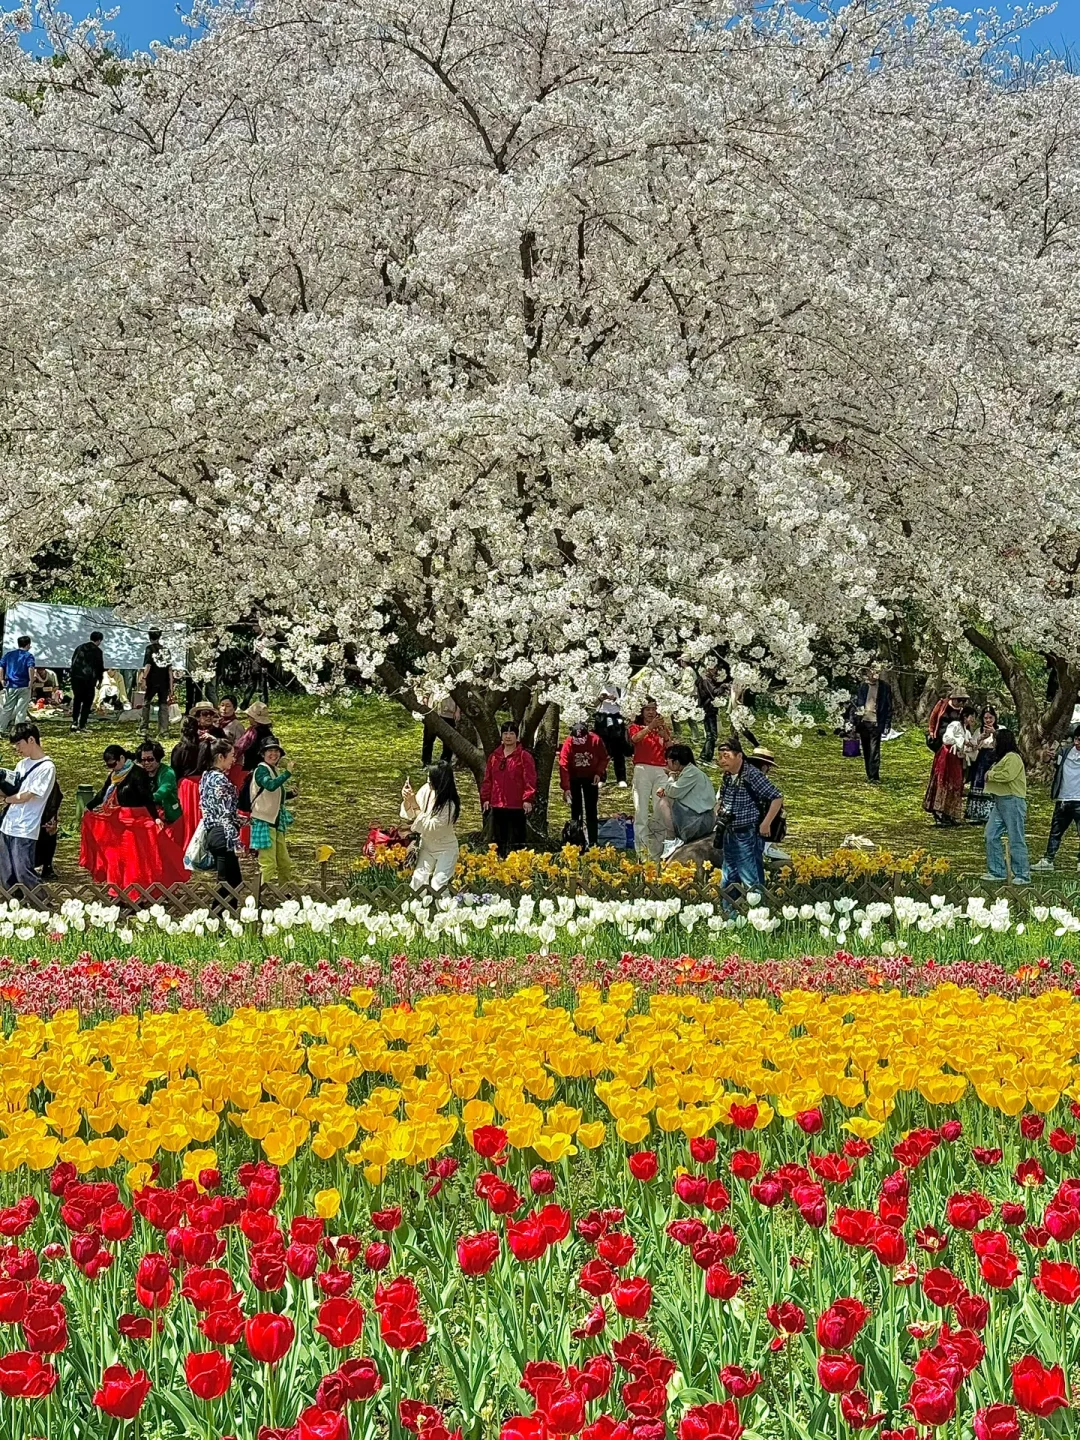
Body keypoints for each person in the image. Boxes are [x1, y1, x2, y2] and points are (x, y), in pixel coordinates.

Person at [715, 736, 783, 889]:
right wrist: (718, 809)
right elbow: (722, 798)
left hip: (747, 831)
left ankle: (757, 903)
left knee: (750, 876)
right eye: (720, 757)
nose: (722, 760)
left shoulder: (752, 774)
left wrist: (766, 823)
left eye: (726, 756)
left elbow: (777, 797)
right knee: (729, 876)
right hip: (728, 829)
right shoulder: (727, 775)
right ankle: (729, 904)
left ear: (739, 756)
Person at [0, 724, 56, 898]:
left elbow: (26, 796)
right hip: (7, 824)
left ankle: (43, 904)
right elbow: (13, 789)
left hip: (25, 827)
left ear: (31, 740)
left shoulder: (47, 767)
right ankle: (15, 905)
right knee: (6, 873)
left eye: (19, 744)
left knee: (23, 871)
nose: (17, 749)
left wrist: (6, 800)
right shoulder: (21, 764)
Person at [401, 761, 461, 893]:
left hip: (445, 848)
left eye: (431, 780)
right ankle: (416, 906)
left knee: (438, 884)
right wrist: (407, 799)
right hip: (426, 845)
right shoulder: (427, 790)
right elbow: (411, 815)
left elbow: (431, 828)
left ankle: (446, 906)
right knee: (418, 881)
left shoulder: (450, 805)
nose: (428, 782)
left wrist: (414, 804)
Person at [480, 721, 537, 858]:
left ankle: (518, 864)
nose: (508, 736)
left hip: (517, 804)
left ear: (517, 737)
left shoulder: (524, 756)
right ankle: (499, 862)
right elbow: (488, 779)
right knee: (498, 838)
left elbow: (530, 779)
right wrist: (486, 798)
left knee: (517, 838)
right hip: (497, 804)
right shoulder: (494, 756)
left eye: (511, 733)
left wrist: (528, 799)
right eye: (505, 733)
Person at [980, 728, 1030, 885]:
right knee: (990, 834)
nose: (994, 743)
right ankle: (997, 871)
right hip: (1000, 801)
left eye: (996, 740)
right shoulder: (1002, 758)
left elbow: (1007, 776)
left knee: (1016, 837)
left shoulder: (1013, 757)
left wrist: (991, 775)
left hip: (1012, 801)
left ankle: (1022, 874)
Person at [200, 739, 243, 910]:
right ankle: (218, 918)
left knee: (230, 882)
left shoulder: (206, 776)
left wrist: (241, 820)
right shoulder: (220, 780)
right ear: (220, 757)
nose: (234, 760)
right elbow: (224, 815)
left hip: (213, 833)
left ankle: (223, 918)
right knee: (229, 883)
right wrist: (236, 842)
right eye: (232, 755)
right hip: (223, 836)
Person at [628, 699, 673, 859]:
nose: (651, 712)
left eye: (653, 709)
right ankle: (641, 852)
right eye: (647, 709)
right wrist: (649, 728)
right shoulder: (636, 726)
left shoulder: (662, 727)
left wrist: (665, 737)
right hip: (642, 769)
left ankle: (656, 852)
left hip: (661, 769)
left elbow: (671, 749)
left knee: (659, 811)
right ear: (642, 712)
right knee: (641, 810)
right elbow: (635, 739)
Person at [249, 736, 294, 887]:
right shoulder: (261, 770)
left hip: (276, 821)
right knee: (268, 864)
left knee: (284, 862)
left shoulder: (274, 770)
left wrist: (290, 794)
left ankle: (285, 893)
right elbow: (270, 785)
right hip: (263, 821)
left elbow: (274, 795)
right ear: (263, 753)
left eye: (276, 751)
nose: (273, 754)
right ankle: (258, 895)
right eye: (270, 751)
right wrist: (287, 773)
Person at [655, 744, 717, 852]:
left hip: (698, 821)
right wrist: (666, 789)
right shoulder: (690, 772)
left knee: (664, 802)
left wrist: (671, 776)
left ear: (676, 762)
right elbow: (675, 791)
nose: (666, 763)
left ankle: (671, 840)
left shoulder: (692, 773)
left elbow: (673, 791)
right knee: (666, 800)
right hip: (697, 817)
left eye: (667, 760)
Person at [923, 695, 973, 825]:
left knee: (955, 782)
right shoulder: (952, 720)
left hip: (956, 756)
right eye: (959, 700)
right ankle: (938, 811)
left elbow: (969, 743)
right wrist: (933, 733)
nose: (961, 703)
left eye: (963, 701)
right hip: (946, 753)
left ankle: (949, 812)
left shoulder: (965, 729)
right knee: (943, 780)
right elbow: (946, 736)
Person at [1035, 725, 1080, 871]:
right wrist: (1046, 755)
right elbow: (1048, 759)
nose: (1077, 743)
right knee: (1055, 831)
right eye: (1076, 739)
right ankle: (1048, 860)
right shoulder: (1065, 751)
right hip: (1063, 799)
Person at [558, 722, 609, 847]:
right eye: (577, 739)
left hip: (591, 776)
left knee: (591, 808)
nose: (579, 742)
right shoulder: (568, 743)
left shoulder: (595, 740)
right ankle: (576, 840)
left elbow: (604, 758)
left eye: (582, 739)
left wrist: (598, 773)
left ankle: (593, 841)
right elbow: (563, 764)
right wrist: (566, 787)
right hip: (574, 777)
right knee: (576, 809)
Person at [849, 665, 893, 783]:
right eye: (874, 672)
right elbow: (856, 704)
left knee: (875, 750)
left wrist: (887, 723)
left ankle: (874, 776)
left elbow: (889, 706)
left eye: (878, 671)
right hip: (863, 722)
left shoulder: (884, 687)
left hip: (876, 722)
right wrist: (853, 721)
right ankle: (869, 774)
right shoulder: (862, 686)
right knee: (866, 749)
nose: (876, 674)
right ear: (868, 673)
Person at [964, 707, 998, 824]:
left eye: (990, 717)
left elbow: (1004, 744)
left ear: (995, 717)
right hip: (982, 759)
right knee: (979, 781)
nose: (988, 720)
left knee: (992, 783)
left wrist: (994, 733)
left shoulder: (1001, 729)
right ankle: (977, 814)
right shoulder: (979, 731)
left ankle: (991, 814)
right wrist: (980, 738)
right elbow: (972, 747)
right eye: (985, 718)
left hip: (995, 758)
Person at [136, 741, 182, 824]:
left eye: (150, 759)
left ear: (158, 758)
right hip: (147, 815)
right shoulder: (140, 772)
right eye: (143, 760)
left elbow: (163, 791)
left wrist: (146, 800)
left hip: (169, 818)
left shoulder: (167, 772)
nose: (146, 763)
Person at [593, 685, 631, 787]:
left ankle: (621, 778)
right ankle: (601, 777)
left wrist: (614, 699)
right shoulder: (597, 684)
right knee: (602, 749)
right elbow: (591, 704)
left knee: (618, 749)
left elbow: (627, 704)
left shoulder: (621, 686)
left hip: (617, 717)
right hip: (601, 718)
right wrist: (600, 699)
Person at [139, 628, 174, 737]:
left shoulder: (149, 649)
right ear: (160, 636)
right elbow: (170, 670)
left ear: (149, 637)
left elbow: (148, 665)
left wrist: (143, 678)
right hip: (164, 681)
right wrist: (171, 686)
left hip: (152, 681)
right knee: (163, 705)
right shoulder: (166, 650)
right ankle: (164, 731)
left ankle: (144, 728)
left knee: (146, 703)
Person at [69, 631, 106, 733]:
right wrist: (100, 680)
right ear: (99, 640)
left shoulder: (79, 648)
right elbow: (99, 667)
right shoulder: (97, 651)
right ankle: (82, 724)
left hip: (76, 678)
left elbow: (73, 661)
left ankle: (74, 722)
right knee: (87, 702)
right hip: (89, 679)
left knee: (77, 699)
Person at [0, 637, 35, 738]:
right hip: (24, 685)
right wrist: (31, 681)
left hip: (11, 685)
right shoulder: (29, 656)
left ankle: (1, 729)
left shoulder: (9, 655)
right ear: (28, 645)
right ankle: (18, 732)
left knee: (7, 708)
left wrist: (1, 679)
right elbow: (31, 668)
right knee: (21, 710)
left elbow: (1, 667)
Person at [693, 661, 725, 766]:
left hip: (707, 708)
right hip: (708, 708)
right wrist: (723, 687)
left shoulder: (704, 679)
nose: (715, 670)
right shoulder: (706, 680)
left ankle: (705, 756)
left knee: (710, 734)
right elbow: (714, 692)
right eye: (713, 668)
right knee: (712, 735)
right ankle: (706, 758)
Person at [422, 695, 460, 768]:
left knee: (448, 740)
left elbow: (459, 696)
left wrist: (458, 711)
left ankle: (445, 762)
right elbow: (425, 693)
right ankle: (426, 762)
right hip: (432, 712)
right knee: (428, 738)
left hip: (449, 713)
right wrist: (426, 706)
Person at [234, 702, 273, 772]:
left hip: (251, 767)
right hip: (266, 767)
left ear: (254, 718)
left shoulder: (252, 732)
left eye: (249, 716)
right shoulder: (269, 733)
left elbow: (241, 747)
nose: (248, 718)